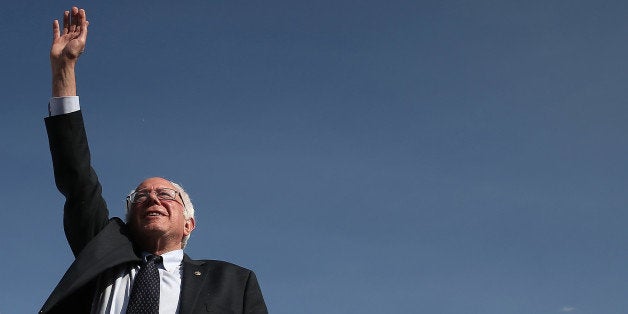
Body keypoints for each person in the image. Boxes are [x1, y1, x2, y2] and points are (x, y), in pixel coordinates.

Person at [40, 7, 268, 314]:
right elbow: (77, 177)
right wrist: (64, 68)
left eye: (165, 194)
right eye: (140, 196)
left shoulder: (233, 282)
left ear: (189, 223)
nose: (151, 198)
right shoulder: (102, 254)